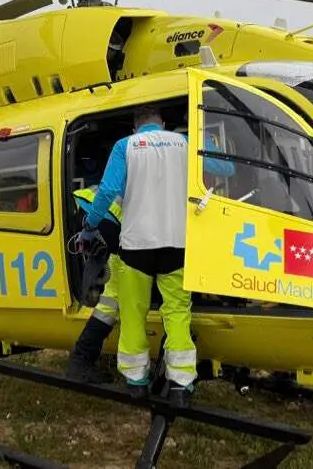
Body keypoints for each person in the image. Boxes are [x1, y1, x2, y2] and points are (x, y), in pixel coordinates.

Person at [78, 104, 233, 405]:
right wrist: (203, 136)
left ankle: (137, 381)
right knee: (177, 312)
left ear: (135, 128)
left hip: (136, 246)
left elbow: (107, 191)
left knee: (132, 312)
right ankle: (180, 385)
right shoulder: (184, 142)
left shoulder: (125, 146)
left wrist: (90, 225)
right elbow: (226, 169)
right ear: (161, 124)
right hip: (177, 243)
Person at [65, 184, 124, 383]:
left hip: (93, 208)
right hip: (109, 217)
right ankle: (80, 361)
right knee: (118, 294)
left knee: (112, 297)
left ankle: (80, 360)